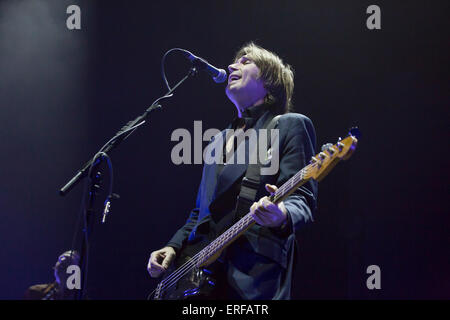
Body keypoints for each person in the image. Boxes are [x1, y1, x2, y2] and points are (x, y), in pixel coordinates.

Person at [147, 42, 318, 299]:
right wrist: (173, 246)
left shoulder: (290, 126)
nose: (231, 66)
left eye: (246, 61)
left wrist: (281, 214)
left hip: (252, 275)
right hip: (200, 275)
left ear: (270, 82)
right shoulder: (218, 140)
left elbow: (303, 199)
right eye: (235, 61)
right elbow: (201, 211)